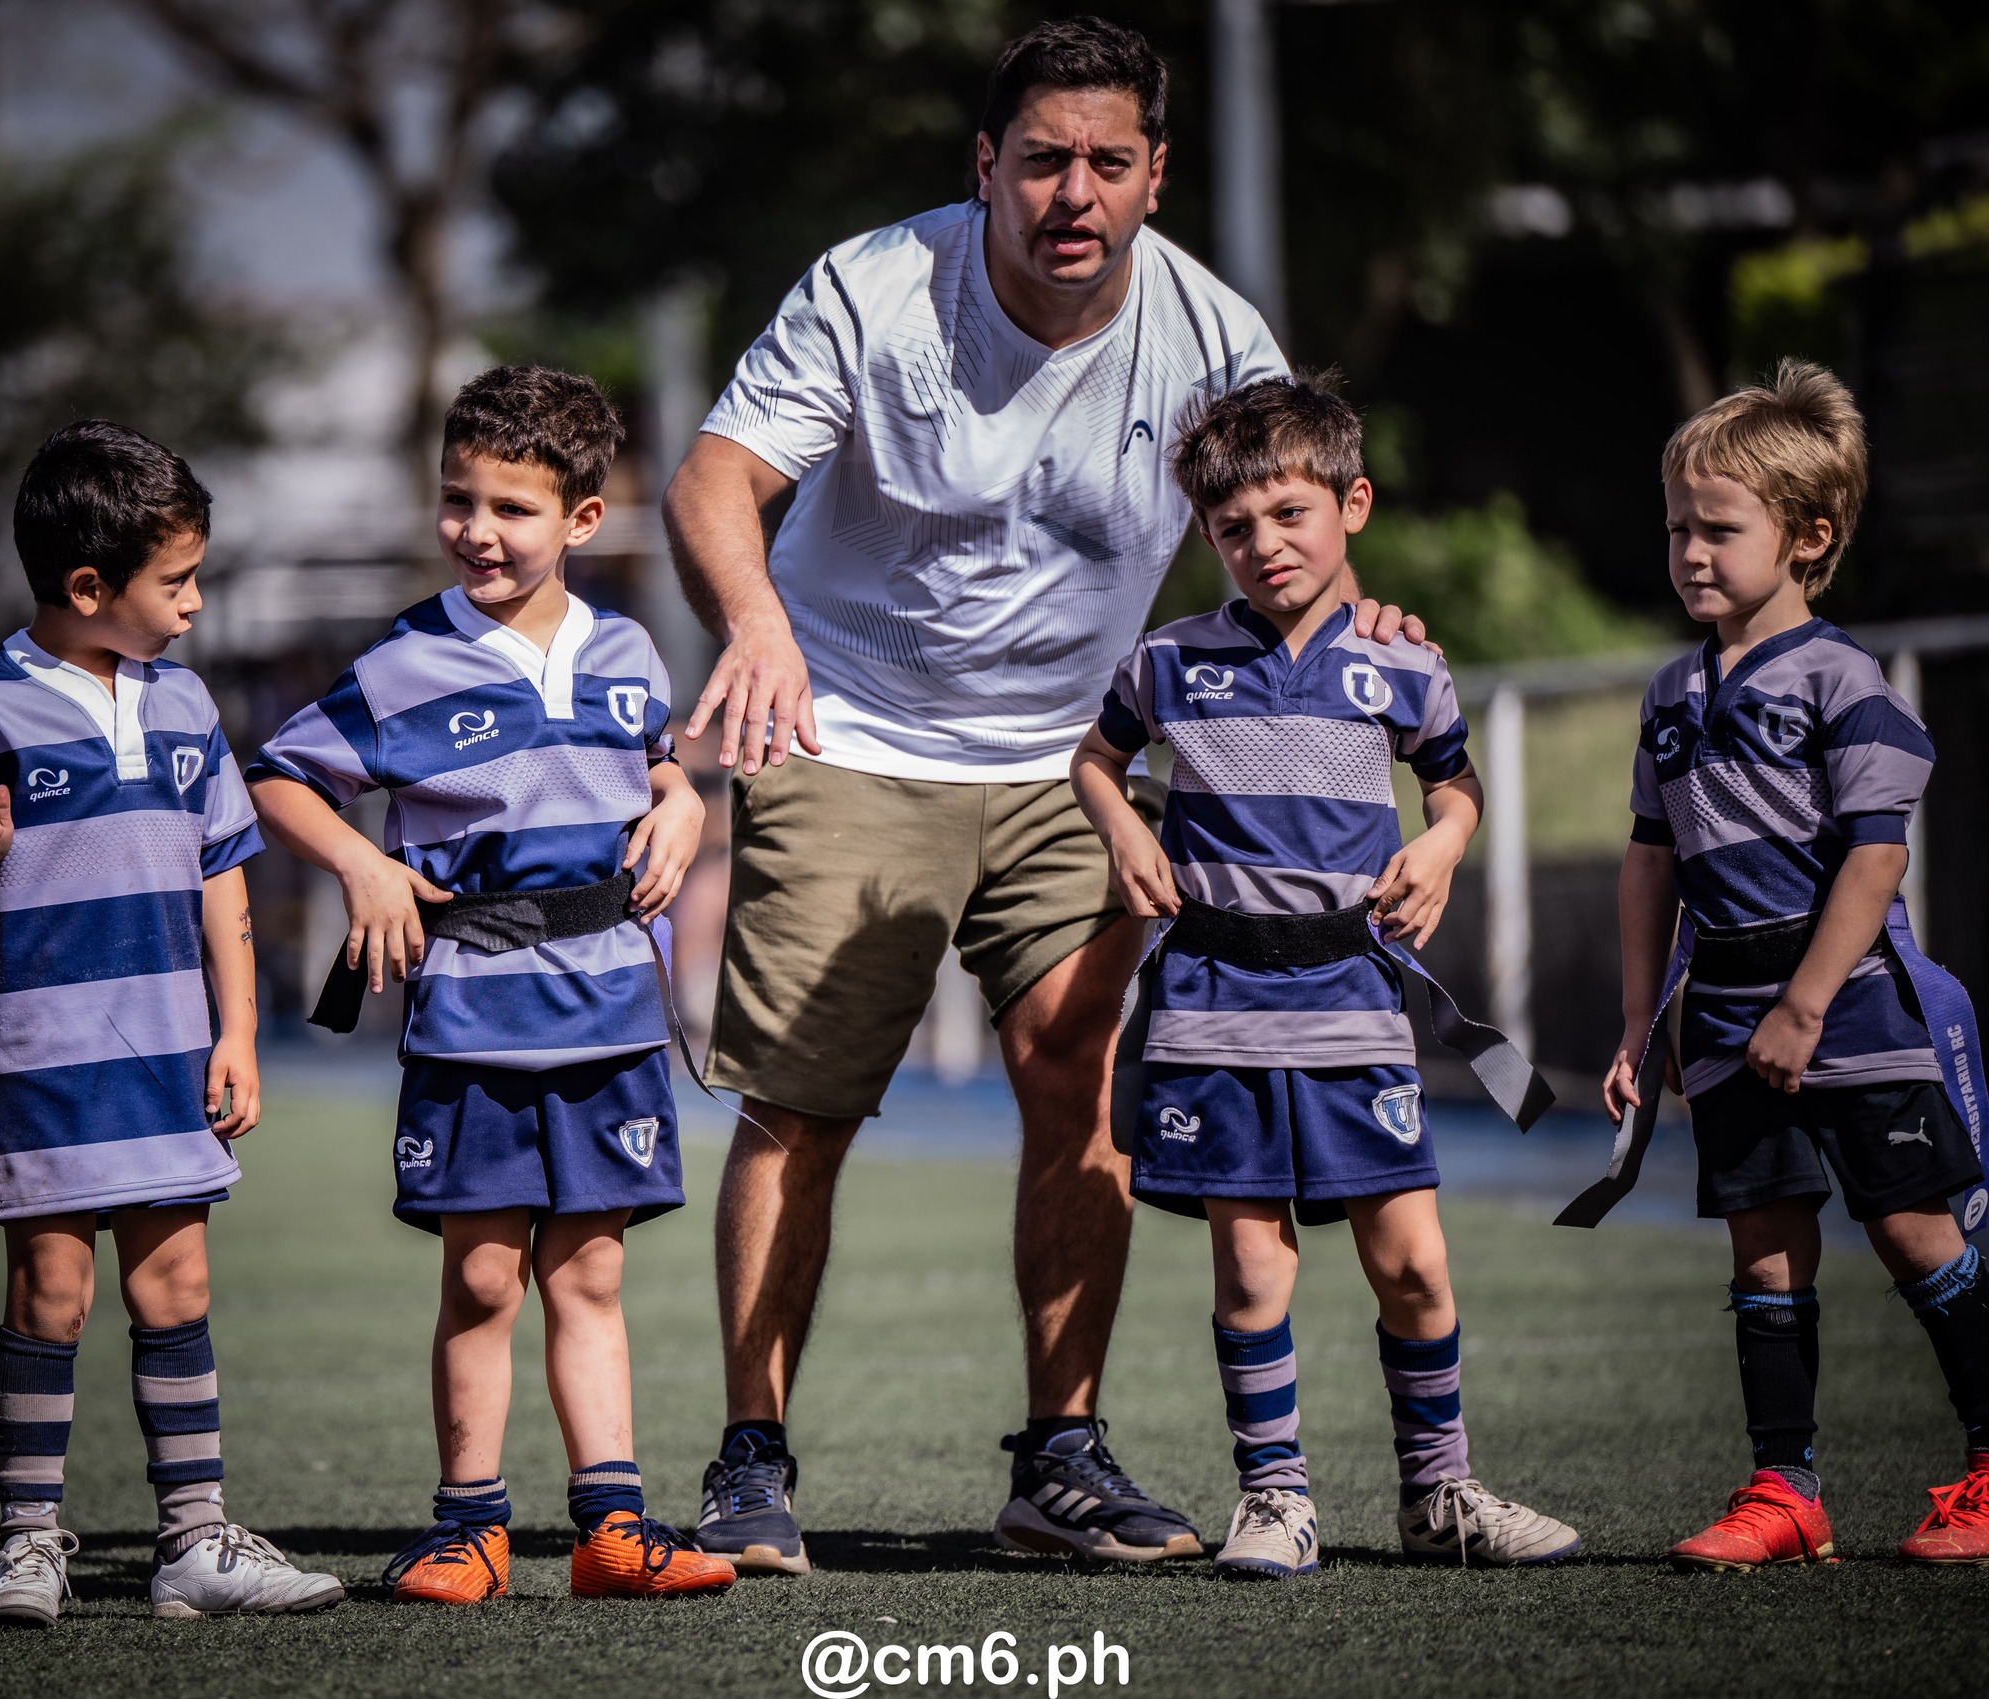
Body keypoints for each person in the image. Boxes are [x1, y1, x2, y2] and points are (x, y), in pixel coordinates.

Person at [664, 12, 1423, 1573]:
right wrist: (755, 624)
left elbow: (1296, 513)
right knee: (799, 1107)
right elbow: (715, 478)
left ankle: (1057, 1456)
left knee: (1081, 1092)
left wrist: (1381, 618)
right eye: (1041, 160)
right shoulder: (874, 287)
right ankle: (751, 1459)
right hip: (850, 731)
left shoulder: (1215, 334)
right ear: (985, 169)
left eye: (1108, 161)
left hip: (1081, 765)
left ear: (1155, 176)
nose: (1072, 193)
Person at [1070, 371, 1580, 1577]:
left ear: (1350, 504)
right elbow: (1095, 761)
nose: (1262, 544)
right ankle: (1274, 1497)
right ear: (1206, 534)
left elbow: (1451, 783)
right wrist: (1126, 827)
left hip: (1353, 1002)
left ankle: (1438, 1493)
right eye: (1233, 526)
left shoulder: (1403, 663)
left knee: (1409, 1258)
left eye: (1289, 514)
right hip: (1211, 1006)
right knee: (1250, 1264)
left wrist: (1445, 840)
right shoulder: (1168, 662)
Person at [248, 367, 734, 1604]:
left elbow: (654, 759)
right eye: (458, 499)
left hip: (613, 1010)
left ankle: (611, 1532)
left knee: (589, 1274)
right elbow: (279, 776)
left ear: (581, 519)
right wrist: (361, 863)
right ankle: (468, 1528)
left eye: (512, 508)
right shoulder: (406, 660)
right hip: (472, 1008)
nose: (477, 529)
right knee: (477, 1273)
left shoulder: (625, 649)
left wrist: (677, 797)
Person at [0, 422, 344, 1625]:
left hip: (175, 1054)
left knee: (175, 1290)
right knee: (49, 1297)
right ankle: (26, 1544)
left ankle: (193, 1544)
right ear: (87, 587)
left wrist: (237, 1033)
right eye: (174, 582)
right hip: (47, 1059)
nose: (194, 603)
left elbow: (223, 878)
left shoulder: (185, 704)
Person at [1602, 360, 1989, 1570]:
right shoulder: (1670, 694)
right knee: (1762, 1251)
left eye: (1718, 528)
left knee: (1913, 1235)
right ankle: (1784, 1492)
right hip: (1718, 1011)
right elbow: (1647, 865)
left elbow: (1875, 860)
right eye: (1675, 527)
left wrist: (1805, 1006)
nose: (1689, 552)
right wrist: (1634, 1024)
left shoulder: (1841, 682)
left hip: (1848, 1005)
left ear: (1808, 536)